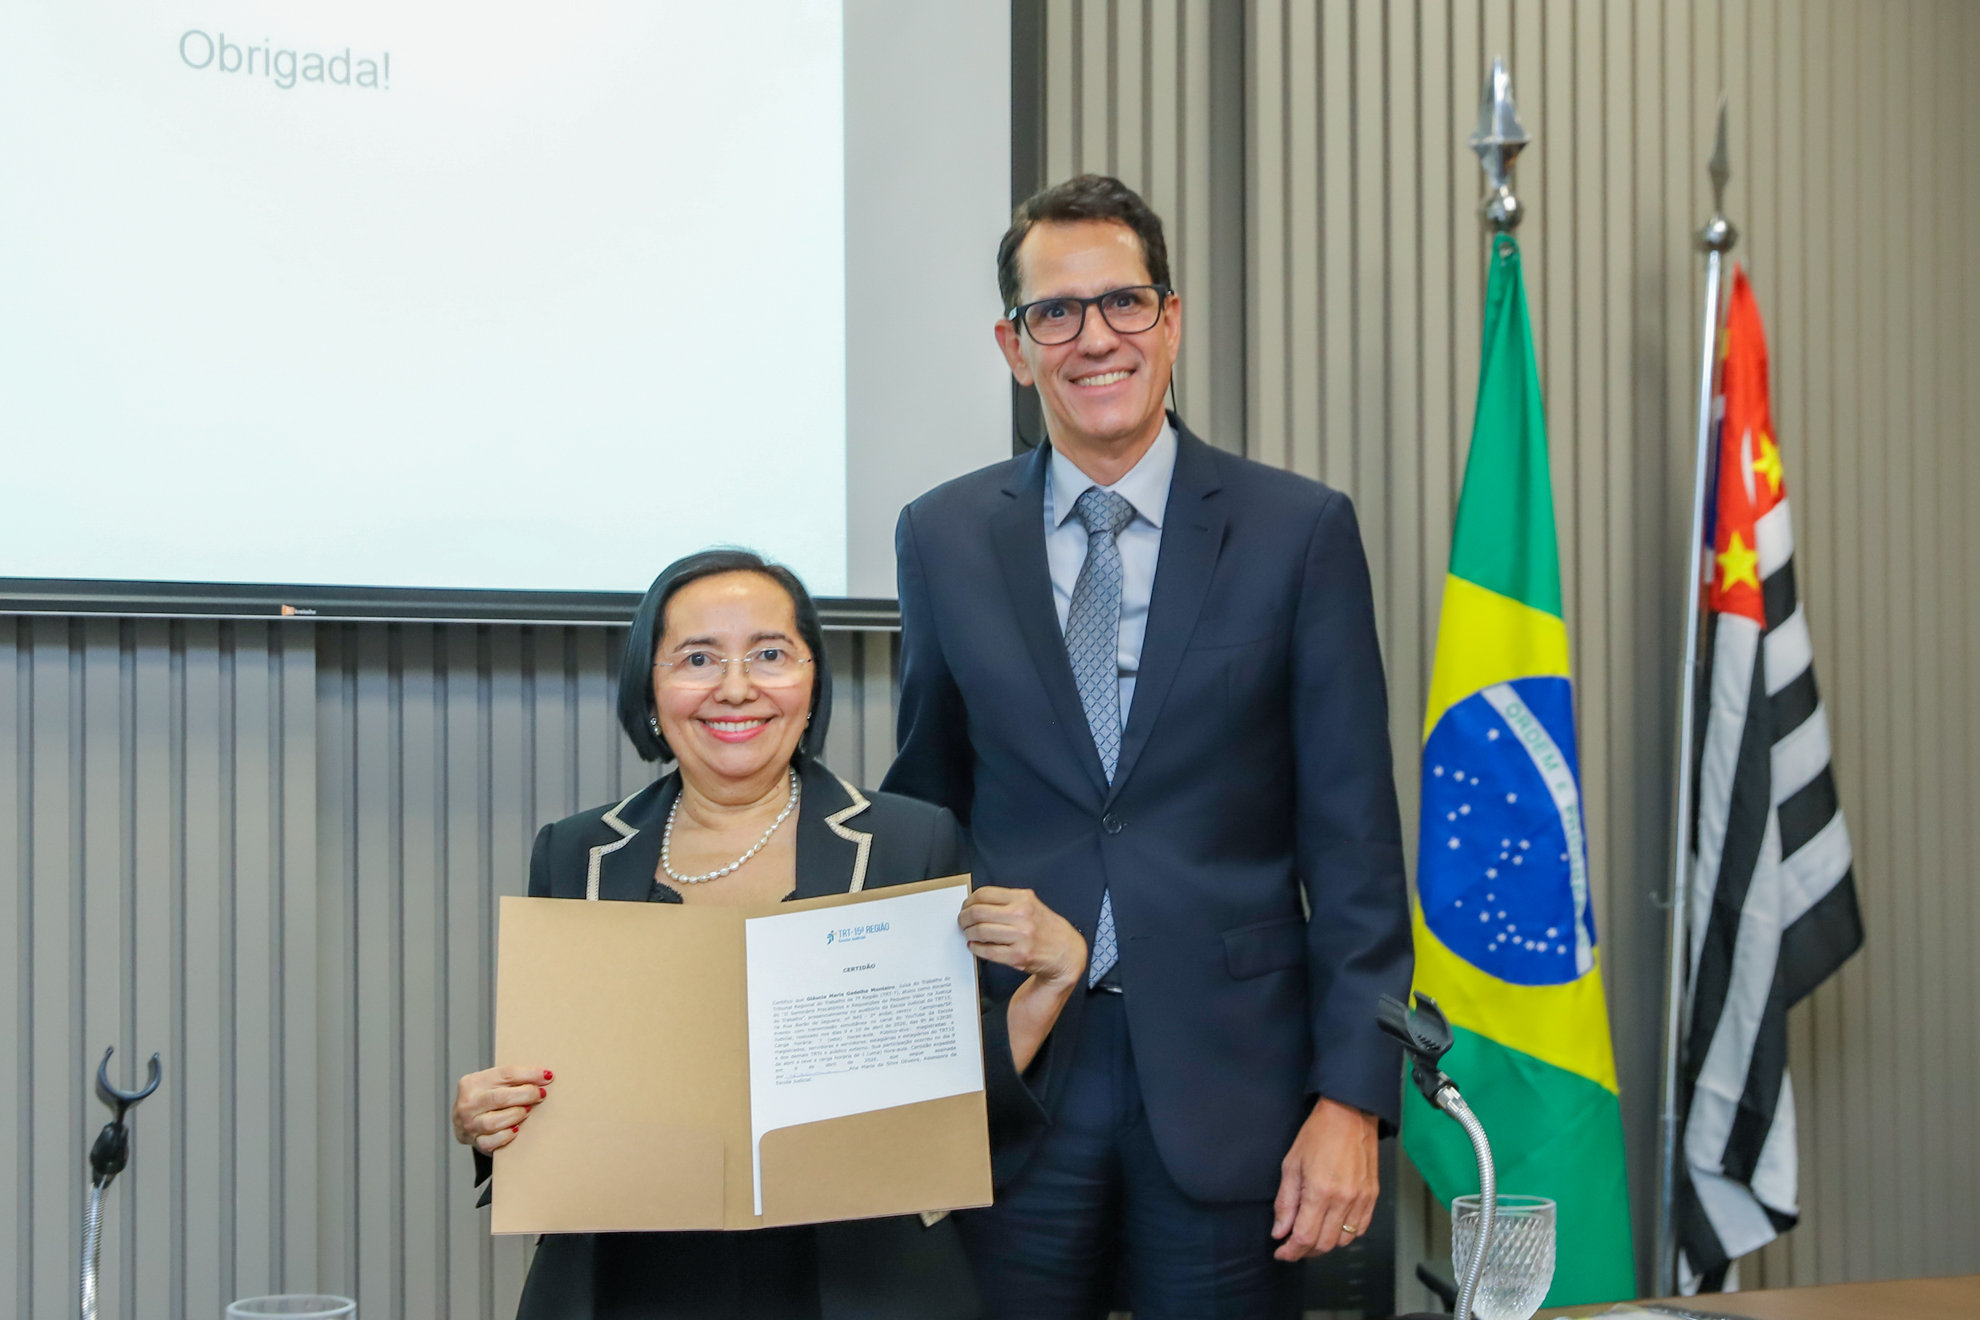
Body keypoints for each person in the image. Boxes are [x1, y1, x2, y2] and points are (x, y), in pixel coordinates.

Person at [880, 175, 1415, 1318]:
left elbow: (1355, 841)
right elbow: (929, 805)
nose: (1094, 338)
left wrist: (1351, 1100)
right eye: (1055, 312)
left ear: (1170, 320)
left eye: (1122, 302)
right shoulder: (941, 536)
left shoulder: (1297, 531)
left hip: (1234, 1083)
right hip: (1021, 1075)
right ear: (1014, 347)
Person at [451, 549, 1086, 1320]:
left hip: (856, 1274)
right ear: (650, 687)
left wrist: (1053, 981)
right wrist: (493, 1117)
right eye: (697, 658)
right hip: (632, 1272)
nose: (736, 687)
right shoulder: (578, 852)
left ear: (811, 682)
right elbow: (552, 1089)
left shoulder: (907, 841)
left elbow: (953, 1100)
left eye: (770, 655)